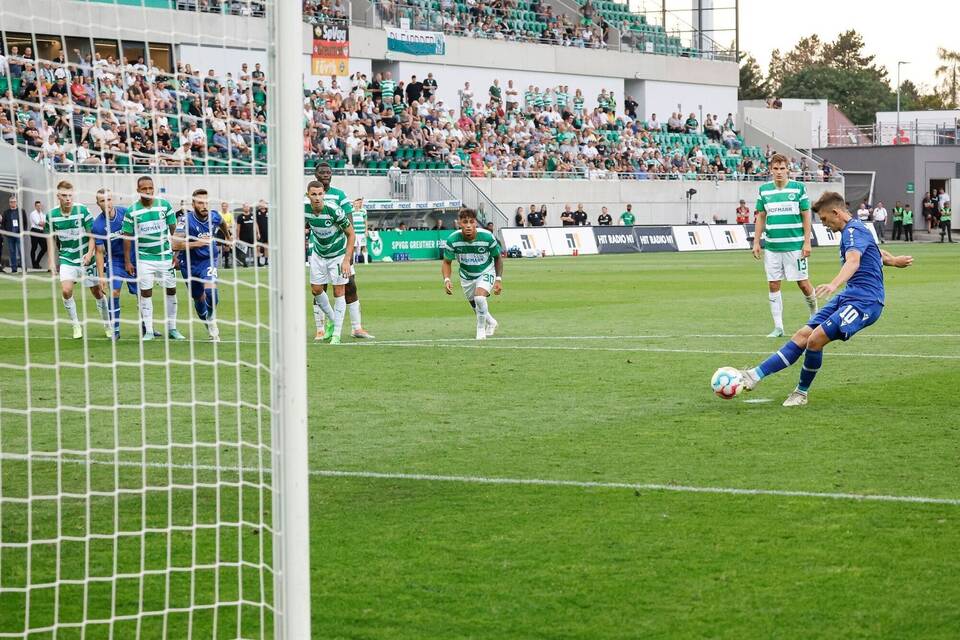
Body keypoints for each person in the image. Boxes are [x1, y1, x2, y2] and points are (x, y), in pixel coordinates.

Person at [734, 191, 913, 406]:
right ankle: (754, 375)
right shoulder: (856, 229)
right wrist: (893, 261)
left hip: (865, 301)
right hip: (849, 297)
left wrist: (833, 284)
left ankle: (801, 393)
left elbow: (854, 261)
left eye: (826, 219)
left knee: (815, 339)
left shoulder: (852, 231)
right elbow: (875, 251)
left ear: (837, 213)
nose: (826, 225)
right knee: (802, 336)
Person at [752, 153, 818, 338]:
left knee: (803, 284)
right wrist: (757, 241)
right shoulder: (764, 190)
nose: (779, 172)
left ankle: (815, 318)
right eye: (776, 168)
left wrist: (807, 241)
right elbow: (761, 216)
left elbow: (806, 215)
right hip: (772, 247)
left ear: (788, 169)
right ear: (771, 170)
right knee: (773, 284)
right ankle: (778, 327)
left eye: (782, 168)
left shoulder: (798, 188)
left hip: (795, 246)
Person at [315, 161, 374, 339]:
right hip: (319, 248)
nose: (325, 174)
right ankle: (320, 328)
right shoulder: (310, 196)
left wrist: (348, 246)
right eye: (322, 172)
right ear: (316, 175)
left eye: (328, 172)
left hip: (340, 249)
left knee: (350, 285)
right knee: (320, 288)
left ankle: (357, 327)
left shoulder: (340, 195)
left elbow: (348, 221)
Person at [122, 175, 185, 341]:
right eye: (144, 188)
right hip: (145, 258)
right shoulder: (132, 211)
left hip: (165, 258)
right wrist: (128, 261)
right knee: (146, 292)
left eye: (151, 188)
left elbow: (175, 232)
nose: (148, 191)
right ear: (138, 191)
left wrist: (176, 254)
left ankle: (172, 328)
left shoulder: (164, 206)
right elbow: (127, 237)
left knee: (171, 290)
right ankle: (149, 330)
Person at [45, 181, 111, 339]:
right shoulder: (51, 215)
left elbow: (92, 235)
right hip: (67, 259)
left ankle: (108, 325)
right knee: (66, 290)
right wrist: (51, 260)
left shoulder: (82, 210)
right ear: (58, 196)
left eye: (70, 195)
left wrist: (89, 253)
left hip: (85, 258)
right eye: (64, 196)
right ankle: (76, 325)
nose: (68, 198)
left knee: (97, 292)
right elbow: (50, 238)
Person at [176, 188, 231, 341]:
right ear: (193, 204)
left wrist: (227, 237)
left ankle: (212, 319)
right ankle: (208, 322)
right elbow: (175, 244)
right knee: (198, 299)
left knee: (211, 294)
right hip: (189, 264)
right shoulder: (185, 220)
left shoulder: (214, 216)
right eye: (200, 203)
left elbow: (222, 223)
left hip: (208, 260)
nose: (204, 206)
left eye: (206, 202)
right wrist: (196, 244)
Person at [305, 180, 355, 345]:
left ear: (323, 195)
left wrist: (347, 260)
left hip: (338, 255)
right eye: (314, 194)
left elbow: (351, 234)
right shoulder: (303, 210)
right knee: (316, 289)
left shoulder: (334, 210)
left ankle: (337, 334)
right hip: (319, 254)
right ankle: (333, 321)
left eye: (320, 194)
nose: (317, 197)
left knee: (339, 291)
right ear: (308, 195)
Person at [441, 208, 502, 340]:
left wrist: (498, 279)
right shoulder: (452, 240)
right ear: (459, 223)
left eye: (471, 222)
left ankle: (480, 329)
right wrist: (447, 280)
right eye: (465, 222)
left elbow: (497, 257)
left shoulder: (487, 236)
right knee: (476, 306)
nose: (468, 225)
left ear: (476, 223)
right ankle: (491, 322)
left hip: (486, 271)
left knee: (479, 298)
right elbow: (447, 262)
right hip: (466, 275)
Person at [91, 188, 139, 339]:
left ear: (113, 200)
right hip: (115, 261)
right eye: (102, 201)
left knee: (142, 294)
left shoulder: (125, 213)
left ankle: (147, 327)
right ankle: (115, 330)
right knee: (115, 292)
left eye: (109, 199)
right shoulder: (98, 225)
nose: (107, 203)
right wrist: (101, 277)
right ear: (98, 204)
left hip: (133, 259)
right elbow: (99, 252)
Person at [1, 195, 24, 273]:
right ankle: (14, 268)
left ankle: (23, 267)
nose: (13, 203)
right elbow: (3, 224)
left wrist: (22, 232)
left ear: (16, 202)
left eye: (14, 201)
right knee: (12, 252)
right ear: (9, 203)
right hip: (10, 236)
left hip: (19, 235)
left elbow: (25, 223)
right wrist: (6, 233)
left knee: (21, 251)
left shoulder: (21, 211)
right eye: (11, 202)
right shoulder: (6, 212)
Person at [29, 200, 48, 270]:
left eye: (40, 206)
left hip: (41, 231)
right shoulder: (33, 214)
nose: (39, 207)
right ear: (35, 206)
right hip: (34, 231)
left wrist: (44, 224)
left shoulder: (43, 214)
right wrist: (44, 224)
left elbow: (45, 223)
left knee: (45, 247)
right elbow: (39, 223)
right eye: (37, 206)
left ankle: (37, 262)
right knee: (34, 248)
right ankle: (34, 264)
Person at [351, 197, 369, 264]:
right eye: (355, 203)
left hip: (362, 232)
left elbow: (365, 221)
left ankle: (366, 261)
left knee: (364, 246)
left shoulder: (363, 211)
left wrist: (366, 231)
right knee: (354, 247)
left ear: (359, 204)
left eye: (357, 203)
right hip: (355, 232)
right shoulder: (351, 211)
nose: (356, 205)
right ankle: (353, 261)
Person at [255, 200, 269, 266]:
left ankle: (266, 261)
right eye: (261, 203)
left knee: (266, 247)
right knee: (258, 247)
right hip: (260, 232)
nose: (262, 205)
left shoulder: (269, 211)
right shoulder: (257, 212)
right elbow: (256, 223)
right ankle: (258, 261)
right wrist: (257, 232)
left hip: (267, 231)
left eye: (263, 203)